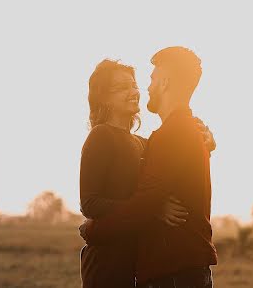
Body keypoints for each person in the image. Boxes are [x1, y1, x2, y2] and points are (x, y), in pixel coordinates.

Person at [80, 47, 217, 288]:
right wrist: (153, 208)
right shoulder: (101, 136)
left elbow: (177, 157)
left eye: (133, 85)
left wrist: (208, 141)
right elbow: (89, 203)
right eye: (121, 88)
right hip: (108, 259)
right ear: (104, 97)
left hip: (134, 258)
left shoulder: (144, 142)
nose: (134, 91)